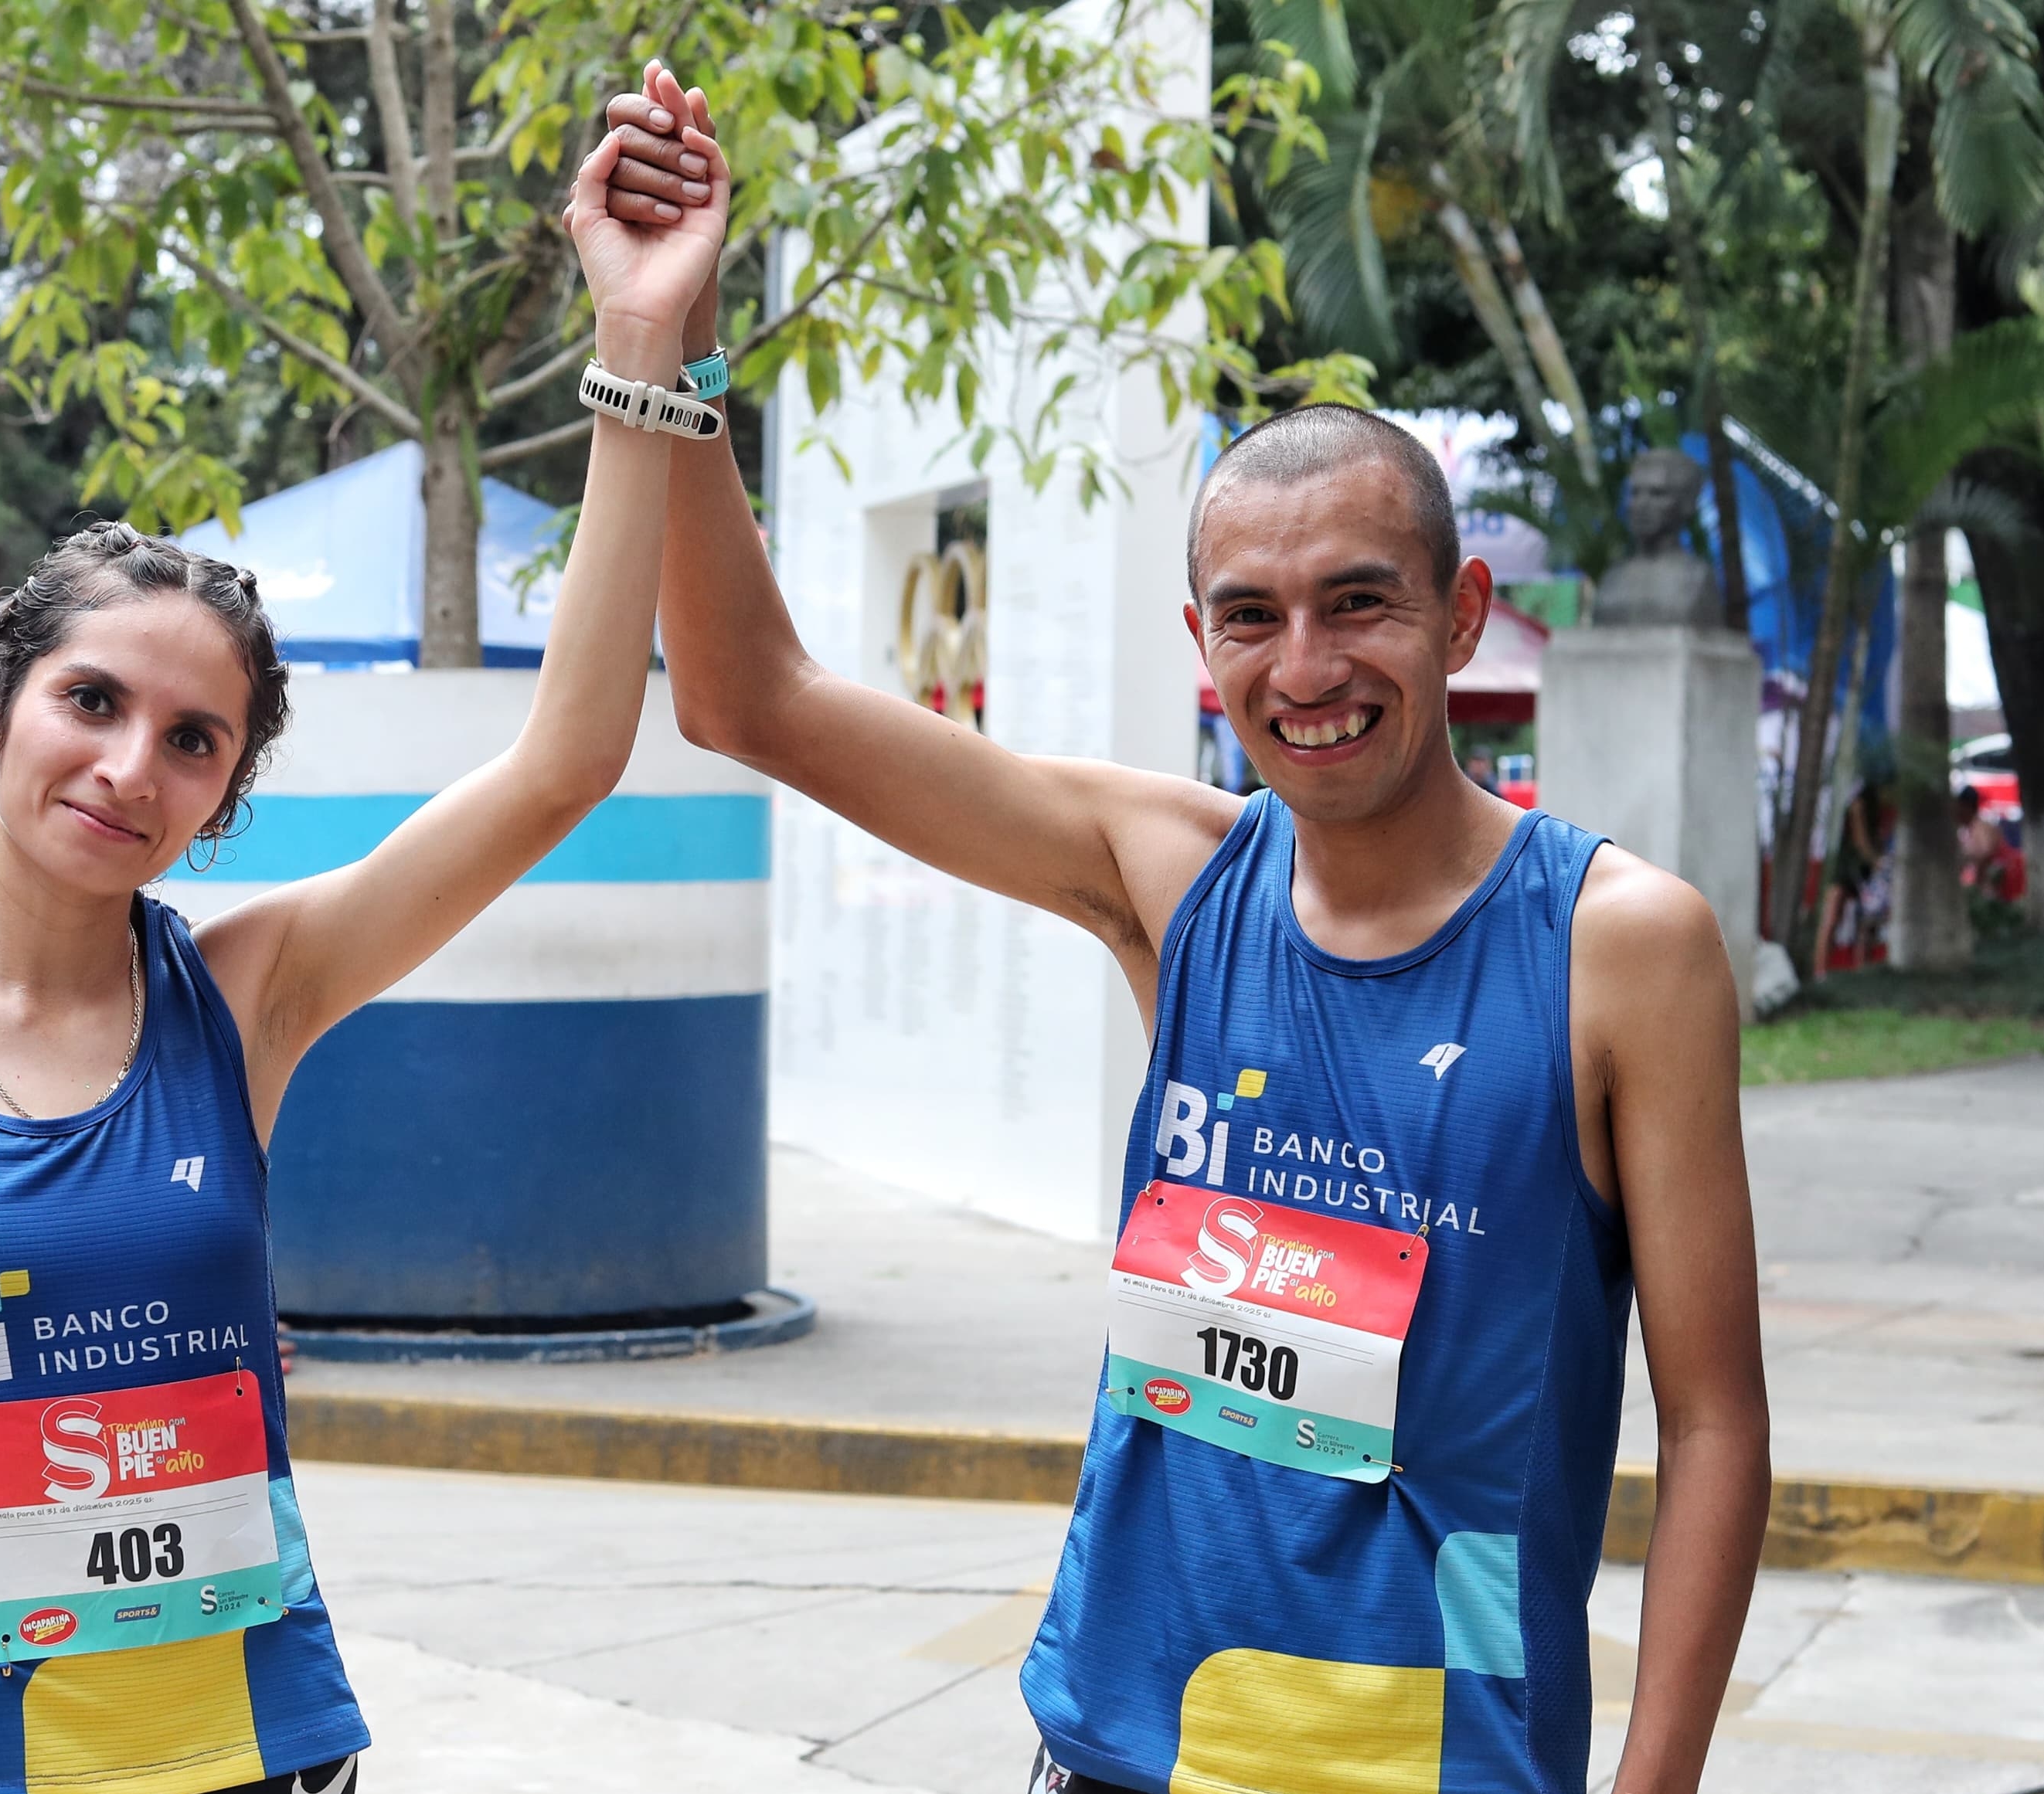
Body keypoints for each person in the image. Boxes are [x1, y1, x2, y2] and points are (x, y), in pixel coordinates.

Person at [610, 73, 1768, 1794]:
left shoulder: (1620, 945)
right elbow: (745, 698)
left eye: (1359, 602)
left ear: (1459, 615)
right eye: (1253, 618)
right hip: (1111, 1748)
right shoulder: (1174, 877)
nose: (1305, 668)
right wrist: (670, 336)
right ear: (1200, 641)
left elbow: (1715, 1424)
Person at [0, 100, 726, 1793]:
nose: (127, 766)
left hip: (255, 1753)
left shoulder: (245, 995)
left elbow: (566, 764)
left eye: (193, 740)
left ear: (223, 795)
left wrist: (635, 336)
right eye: (91, 701)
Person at [1812, 780, 1886, 981]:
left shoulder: (1876, 799)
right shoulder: (1859, 799)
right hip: (1848, 865)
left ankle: (1860, 973)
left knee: (1865, 922)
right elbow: (1860, 840)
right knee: (1833, 916)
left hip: (1865, 870)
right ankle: (1820, 973)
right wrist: (1875, 860)